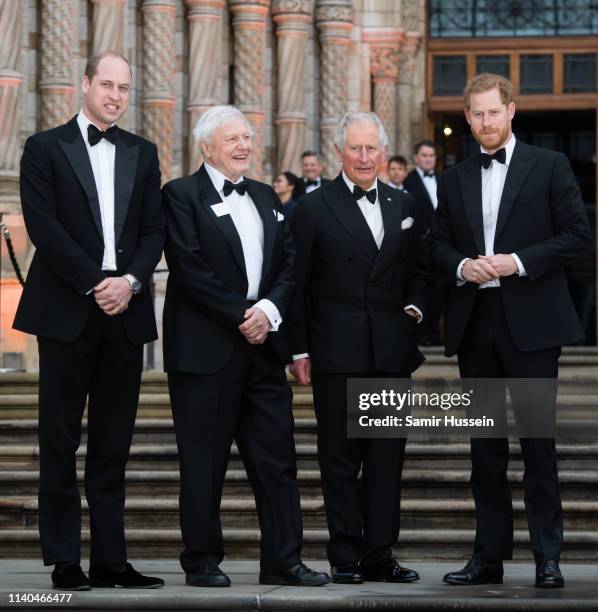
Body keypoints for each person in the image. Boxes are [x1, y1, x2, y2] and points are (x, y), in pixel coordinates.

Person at [431, 73, 592, 589]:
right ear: (467, 119)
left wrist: (516, 262)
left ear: (511, 111)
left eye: (492, 113)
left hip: (533, 327)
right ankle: (488, 559)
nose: (485, 123)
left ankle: (548, 558)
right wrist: (462, 267)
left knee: (538, 448)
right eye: (476, 115)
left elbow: (576, 237)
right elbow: (435, 245)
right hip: (476, 326)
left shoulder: (550, 166)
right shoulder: (454, 178)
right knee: (484, 450)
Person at [13, 51, 165, 591]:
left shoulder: (144, 153)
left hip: (124, 312)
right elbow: (44, 226)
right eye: (107, 84)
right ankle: (63, 559)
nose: (116, 95)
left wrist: (129, 282)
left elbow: (154, 231)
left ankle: (110, 559)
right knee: (59, 442)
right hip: (67, 312)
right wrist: (96, 281)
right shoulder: (44, 148)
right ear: (84, 85)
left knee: (112, 445)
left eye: (124, 87)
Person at [161, 105, 329, 589]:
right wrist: (242, 314)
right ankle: (201, 560)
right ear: (206, 146)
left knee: (277, 461)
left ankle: (283, 559)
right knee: (203, 462)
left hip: (263, 349)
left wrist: (269, 312)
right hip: (205, 352)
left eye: (248, 137)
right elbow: (189, 269)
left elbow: (289, 263)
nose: (243, 146)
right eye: (232, 138)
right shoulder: (180, 195)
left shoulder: (264, 194)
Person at [289, 111, 430, 585]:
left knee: (387, 458)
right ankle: (345, 554)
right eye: (356, 148)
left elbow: (419, 271)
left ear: (384, 151)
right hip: (336, 351)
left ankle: (379, 554)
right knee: (341, 460)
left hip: (390, 351)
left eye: (372, 148)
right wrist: (298, 349)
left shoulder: (403, 201)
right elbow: (297, 285)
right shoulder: (311, 208)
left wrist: (414, 308)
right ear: (339, 151)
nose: (365, 157)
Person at [404, 141, 444, 345]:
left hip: (441, 245)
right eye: (424, 155)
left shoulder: (442, 179)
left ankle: (434, 332)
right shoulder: (408, 181)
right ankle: (420, 334)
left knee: (440, 289)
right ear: (416, 158)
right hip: (419, 245)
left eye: (432, 155)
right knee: (421, 288)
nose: (428, 159)